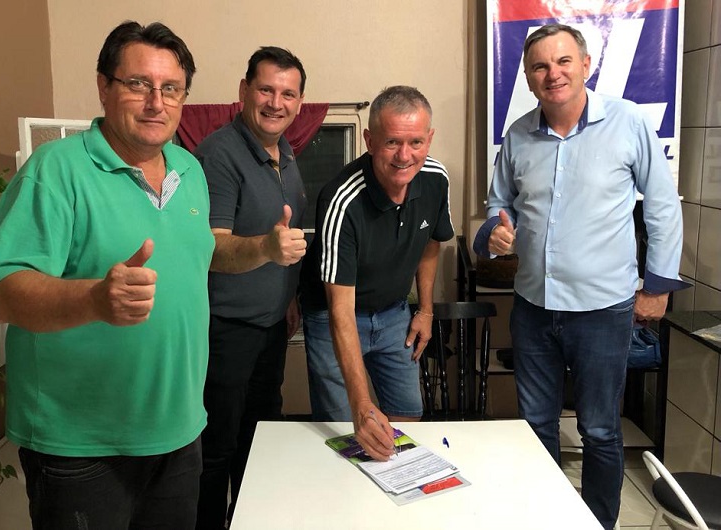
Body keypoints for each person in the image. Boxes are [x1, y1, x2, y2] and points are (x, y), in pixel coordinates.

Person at [0, 21, 212, 530]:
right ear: (104, 87)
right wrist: (94, 300)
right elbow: (4, 294)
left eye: (171, 88)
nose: (156, 102)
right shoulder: (55, 170)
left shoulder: (190, 171)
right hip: (80, 445)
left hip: (178, 432)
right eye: (138, 84)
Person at [473, 24, 688, 530]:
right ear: (528, 77)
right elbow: (499, 205)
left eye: (563, 61)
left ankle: (598, 524)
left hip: (603, 311)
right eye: (540, 66)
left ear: (586, 65)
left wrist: (657, 288)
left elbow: (662, 207)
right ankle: (546, 520)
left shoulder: (628, 122)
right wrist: (493, 234)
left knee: (600, 430)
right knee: (536, 426)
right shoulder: (518, 135)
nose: (553, 73)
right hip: (533, 307)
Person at [300, 86, 454, 461]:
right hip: (335, 315)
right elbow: (340, 309)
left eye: (416, 142)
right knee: (344, 429)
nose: (405, 156)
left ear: (429, 138)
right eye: (392, 142)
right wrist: (361, 405)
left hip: (394, 313)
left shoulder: (436, 178)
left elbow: (431, 242)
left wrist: (426, 310)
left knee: (408, 417)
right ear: (369, 141)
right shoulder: (341, 199)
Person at [192, 46, 307, 530]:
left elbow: (284, 236)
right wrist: (266, 248)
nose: (276, 103)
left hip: (270, 327)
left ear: (299, 102)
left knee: (260, 440)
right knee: (217, 449)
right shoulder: (219, 155)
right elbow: (212, 248)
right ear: (244, 91)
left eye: (288, 94)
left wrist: (289, 295)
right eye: (266, 90)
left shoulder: (286, 154)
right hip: (227, 331)